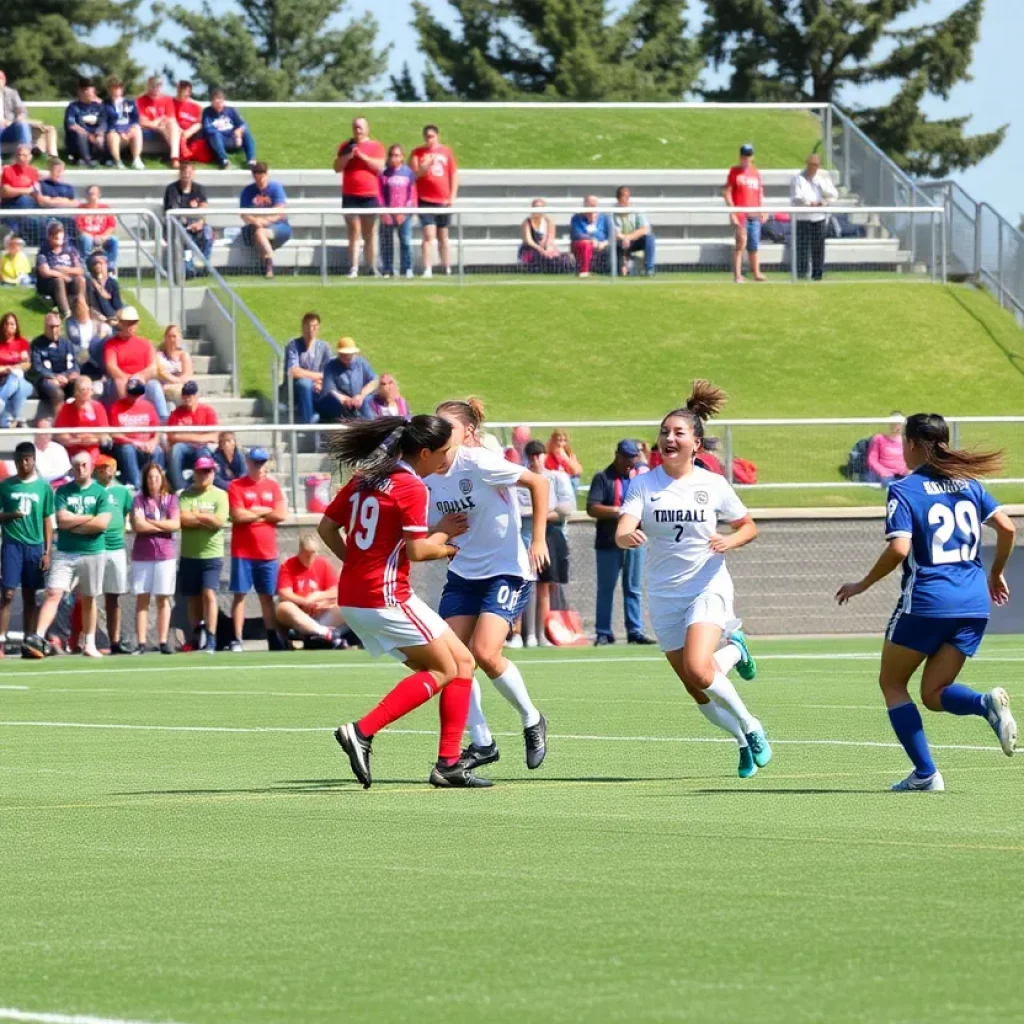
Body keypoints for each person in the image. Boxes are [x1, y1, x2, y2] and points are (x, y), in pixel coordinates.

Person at [836, 413, 1018, 791]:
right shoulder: (969, 484)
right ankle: (983, 704)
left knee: (892, 682)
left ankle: (926, 774)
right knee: (934, 694)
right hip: (973, 604)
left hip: (928, 602)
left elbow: (899, 549)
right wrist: (996, 572)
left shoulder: (905, 489)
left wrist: (863, 584)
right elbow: (1007, 527)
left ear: (913, 444)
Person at [319, 414, 488, 789]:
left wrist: (356, 564)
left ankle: (449, 765)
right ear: (424, 453)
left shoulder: (366, 478)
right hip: (385, 596)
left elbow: (326, 527)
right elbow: (417, 550)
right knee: (445, 669)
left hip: (357, 595)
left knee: (462, 662)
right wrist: (447, 546)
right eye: (443, 452)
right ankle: (362, 731)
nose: (446, 459)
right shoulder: (411, 486)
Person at [617, 381, 769, 779]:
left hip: (707, 584)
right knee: (695, 686)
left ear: (696, 445)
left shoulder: (713, 484)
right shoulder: (643, 484)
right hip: (664, 593)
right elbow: (623, 528)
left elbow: (748, 526)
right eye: (664, 432)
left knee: (700, 669)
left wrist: (730, 540)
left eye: (678, 433)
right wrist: (627, 536)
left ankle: (751, 725)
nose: (669, 438)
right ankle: (740, 734)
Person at [426, 397, 551, 773]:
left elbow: (538, 482)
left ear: (468, 432)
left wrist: (538, 539)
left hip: (505, 571)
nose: (440, 433)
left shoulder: (479, 462)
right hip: (463, 574)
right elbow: (431, 530)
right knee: (451, 660)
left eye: (448, 427)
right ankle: (482, 743)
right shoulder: (428, 472)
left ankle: (532, 719)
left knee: (485, 652)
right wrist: (442, 538)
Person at [23, 450, 112, 659]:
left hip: (93, 551)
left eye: (84, 465)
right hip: (66, 552)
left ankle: (89, 643)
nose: (81, 469)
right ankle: (38, 637)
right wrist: (89, 518)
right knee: (54, 593)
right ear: (72, 468)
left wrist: (75, 522)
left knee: (89, 598)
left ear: (91, 467)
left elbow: (102, 524)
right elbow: (62, 521)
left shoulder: (100, 492)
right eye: (77, 466)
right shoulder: (63, 491)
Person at [587, 440, 653, 646]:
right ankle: (603, 632)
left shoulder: (638, 479)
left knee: (633, 587)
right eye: (626, 458)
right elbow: (592, 507)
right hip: (608, 542)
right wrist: (619, 511)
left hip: (634, 540)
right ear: (617, 456)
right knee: (606, 588)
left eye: (633, 459)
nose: (629, 463)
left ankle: (635, 631)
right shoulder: (603, 478)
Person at [227, 447, 287, 652]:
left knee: (267, 597)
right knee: (240, 595)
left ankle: (272, 637)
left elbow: (281, 514)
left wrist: (255, 512)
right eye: (256, 462)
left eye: (262, 462)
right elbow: (238, 515)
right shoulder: (236, 486)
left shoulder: (273, 486)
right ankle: (237, 638)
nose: (259, 466)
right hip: (243, 552)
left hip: (267, 552)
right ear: (248, 462)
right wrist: (265, 514)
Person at [0, 442, 54, 656]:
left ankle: (29, 641)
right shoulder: (6, 486)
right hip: (12, 544)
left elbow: (47, 519)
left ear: (33, 460)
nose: (24, 464)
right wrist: (10, 516)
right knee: (8, 594)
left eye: (27, 459)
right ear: (15, 461)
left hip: (34, 546)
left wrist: (47, 551)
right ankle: (1, 640)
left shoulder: (43, 487)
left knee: (30, 596)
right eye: (20, 460)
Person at [522, 440, 575, 647]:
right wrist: (545, 512)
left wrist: (539, 514)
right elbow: (517, 509)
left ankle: (543, 633)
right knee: (526, 583)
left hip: (551, 536)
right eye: (532, 455)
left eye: (539, 454)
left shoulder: (557, 478)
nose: (536, 459)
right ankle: (525, 634)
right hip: (524, 537)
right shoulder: (521, 479)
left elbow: (566, 508)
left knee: (545, 585)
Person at [178, 454, 227, 654]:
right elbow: (182, 519)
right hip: (190, 554)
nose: (205, 475)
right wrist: (206, 518)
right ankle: (196, 636)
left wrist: (196, 516)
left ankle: (212, 637)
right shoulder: (185, 495)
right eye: (201, 471)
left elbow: (219, 521)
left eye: (208, 471)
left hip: (212, 554)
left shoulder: (220, 495)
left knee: (209, 593)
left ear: (213, 473)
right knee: (193, 598)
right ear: (195, 473)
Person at [131, 462, 180, 654]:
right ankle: (141, 642)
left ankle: (163, 641)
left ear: (162, 479)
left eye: (156, 477)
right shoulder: (139, 500)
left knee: (163, 598)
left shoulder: (171, 500)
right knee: (142, 598)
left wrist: (150, 522)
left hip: (165, 555)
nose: (153, 481)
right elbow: (138, 526)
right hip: (142, 555)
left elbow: (175, 524)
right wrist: (161, 525)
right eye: (150, 477)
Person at [334, 117, 386, 278]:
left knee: (369, 233)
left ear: (367, 129)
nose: (358, 130)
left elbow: (380, 167)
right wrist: (348, 156)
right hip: (350, 195)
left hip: (369, 195)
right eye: (355, 127)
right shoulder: (346, 146)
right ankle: (354, 268)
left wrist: (363, 157)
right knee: (353, 232)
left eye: (361, 127)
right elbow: (336, 167)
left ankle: (371, 266)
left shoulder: (376, 146)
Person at [274, 532, 346, 649]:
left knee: (346, 604)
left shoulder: (323, 564)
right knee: (283, 607)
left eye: (313, 555)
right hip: (299, 614)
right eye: (307, 555)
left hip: (320, 613)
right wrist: (305, 602)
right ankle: (324, 633)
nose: (310, 559)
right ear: (300, 551)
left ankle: (316, 634)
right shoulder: (288, 566)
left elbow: (335, 591)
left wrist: (319, 598)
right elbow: (284, 593)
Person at [94, 453, 133, 655]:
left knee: (114, 596)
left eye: (107, 467)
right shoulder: (91, 489)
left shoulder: (122, 491)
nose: (104, 471)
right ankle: (88, 640)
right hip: (95, 546)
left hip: (116, 547)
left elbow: (125, 512)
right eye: (100, 467)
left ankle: (114, 640)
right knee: (90, 595)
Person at [410, 124, 459, 278]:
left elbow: (453, 174)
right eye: (427, 136)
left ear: (437, 136)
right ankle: (427, 268)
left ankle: (446, 266)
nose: (429, 139)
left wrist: (452, 196)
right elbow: (415, 174)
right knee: (428, 235)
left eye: (432, 136)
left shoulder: (446, 152)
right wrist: (425, 165)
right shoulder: (417, 153)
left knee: (443, 235)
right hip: (425, 199)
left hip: (443, 200)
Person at [103, 306, 165, 417]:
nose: (131, 326)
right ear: (120, 324)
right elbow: (111, 367)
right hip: (121, 381)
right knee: (119, 383)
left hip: (142, 381)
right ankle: (125, 417)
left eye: (134, 323)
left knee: (155, 386)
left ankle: (163, 419)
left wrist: (139, 377)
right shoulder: (111, 345)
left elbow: (152, 367)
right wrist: (129, 379)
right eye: (128, 323)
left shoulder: (145, 343)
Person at [789, 153, 839, 281]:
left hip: (819, 217)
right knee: (802, 248)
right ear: (807, 164)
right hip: (802, 218)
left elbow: (834, 194)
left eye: (816, 165)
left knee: (818, 248)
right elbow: (796, 196)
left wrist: (823, 200)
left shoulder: (822, 178)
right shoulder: (798, 178)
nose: (813, 167)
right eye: (811, 164)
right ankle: (801, 275)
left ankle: (817, 275)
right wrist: (809, 203)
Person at [724, 144, 768, 284]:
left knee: (754, 244)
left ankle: (756, 272)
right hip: (741, 213)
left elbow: (759, 193)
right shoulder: (734, 172)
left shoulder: (756, 173)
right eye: (744, 156)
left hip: (754, 213)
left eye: (748, 156)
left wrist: (762, 209)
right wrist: (733, 211)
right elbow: (727, 192)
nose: (746, 159)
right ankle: (737, 274)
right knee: (740, 243)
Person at [164, 380, 219, 491]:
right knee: (176, 449)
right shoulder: (176, 413)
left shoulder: (207, 411)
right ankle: (179, 488)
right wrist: (200, 437)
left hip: (202, 447)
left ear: (196, 395)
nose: (188, 397)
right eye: (185, 395)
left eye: (191, 394)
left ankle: (204, 486)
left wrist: (184, 436)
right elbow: (172, 437)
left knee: (203, 453)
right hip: (184, 448)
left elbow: (214, 437)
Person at [109, 377, 163, 489]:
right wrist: (135, 443)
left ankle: (154, 482)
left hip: (146, 443)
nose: (134, 397)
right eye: (132, 394)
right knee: (127, 449)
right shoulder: (116, 406)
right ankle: (137, 483)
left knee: (157, 450)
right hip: (127, 445)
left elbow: (158, 429)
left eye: (137, 394)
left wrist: (153, 442)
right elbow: (114, 434)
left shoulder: (148, 406)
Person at [240, 161, 291, 279]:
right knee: (258, 232)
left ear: (267, 174)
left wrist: (263, 221)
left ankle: (268, 264)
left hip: (278, 226)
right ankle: (268, 265)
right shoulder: (248, 191)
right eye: (257, 179)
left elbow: (279, 211)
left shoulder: (276, 188)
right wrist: (255, 221)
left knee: (260, 232)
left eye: (262, 178)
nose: (260, 182)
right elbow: (244, 214)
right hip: (255, 226)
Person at [162, 161, 213, 272]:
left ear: (193, 173)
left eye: (189, 172)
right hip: (179, 226)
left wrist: (200, 222)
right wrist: (189, 224)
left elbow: (203, 208)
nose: (186, 175)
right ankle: (189, 268)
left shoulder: (199, 189)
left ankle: (205, 265)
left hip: (196, 224)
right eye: (184, 172)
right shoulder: (172, 190)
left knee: (208, 233)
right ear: (179, 174)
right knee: (186, 238)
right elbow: (174, 213)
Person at [283, 311, 331, 425]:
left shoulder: (324, 347)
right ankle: (309, 423)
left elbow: (328, 373)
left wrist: (320, 382)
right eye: (307, 326)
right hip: (296, 389)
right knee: (305, 384)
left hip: (318, 387)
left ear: (318, 327)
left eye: (314, 326)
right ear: (302, 327)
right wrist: (318, 377)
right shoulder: (294, 345)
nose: (310, 330)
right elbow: (293, 371)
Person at [378, 144, 416, 279]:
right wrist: (384, 212)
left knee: (405, 241)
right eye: (392, 155)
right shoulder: (384, 174)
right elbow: (380, 194)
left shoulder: (408, 173)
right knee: (386, 242)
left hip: (403, 214)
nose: (394, 158)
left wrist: (405, 213)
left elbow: (412, 194)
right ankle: (387, 269)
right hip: (388, 214)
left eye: (397, 155)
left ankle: (407, 268)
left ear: (402, 157)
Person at [317, 338, 377, 422]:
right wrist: (345, 399)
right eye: (344, 354)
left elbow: (374, 382)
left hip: (359, 401)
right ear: (339, 353)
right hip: (338, 405)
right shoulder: (330, 366)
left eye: (349, 354)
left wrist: (360, 396)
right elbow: (329, 390)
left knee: (367, 405)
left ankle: (370, 423)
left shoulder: (362, 363)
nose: (347, 356)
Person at [1, 69, 58, 157]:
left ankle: (27, 152)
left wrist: (18, 118)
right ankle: (32, 149)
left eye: (0, 79)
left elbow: (21, 110)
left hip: (9, 127)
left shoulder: (11, 93)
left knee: (22, 124)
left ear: (4, 81)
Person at [35, 221, 85, 318]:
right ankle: (65, 312)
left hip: (70, 280)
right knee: (59, 281)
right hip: (49, 284)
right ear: (50, 236)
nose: (59, 237)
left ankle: (80, 307)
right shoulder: (43, 252)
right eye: (55, 235)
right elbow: (45, 272)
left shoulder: (71, 250)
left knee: (81, 280)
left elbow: (80, 270)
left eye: (61, 233)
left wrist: (64, 269)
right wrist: (62, 276)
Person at [55, 375, 108, 462]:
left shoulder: (98, 407)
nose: (86, 392)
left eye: (89, 389)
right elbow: (60, 435)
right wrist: (78, 440)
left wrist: (92, 439)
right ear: (76, 391)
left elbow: (104, 433)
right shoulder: (66, 408)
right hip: (71, 450)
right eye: (83, 389)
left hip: (92, 449)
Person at [202, 89, 256, 170]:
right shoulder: (207, 112)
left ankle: (251, 160)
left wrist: (239, 132)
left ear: (223, 100)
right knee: (215, 135)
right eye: (215, 101)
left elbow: (244, 124)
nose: (218, 104)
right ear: (211, 102)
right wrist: (219, 133)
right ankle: (224, 160)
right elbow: (207, 128)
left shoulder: (231, 110)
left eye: (220, 100)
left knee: (246, 132)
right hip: (219, 140)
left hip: (233, 137)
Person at [136, 76, 180, 168]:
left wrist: (159, 123)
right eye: (153, 85)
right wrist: (158, 121)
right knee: (170, 129)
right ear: (148, 85)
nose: (156, 88)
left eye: (158, 85)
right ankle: (178, 156)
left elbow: (171, 118)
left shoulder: (167, 99)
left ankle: (174, 158)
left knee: (174, 126)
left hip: (163, 127)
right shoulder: (140, 100)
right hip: (147, 130)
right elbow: (142, 122)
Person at [1, 144, 41, 244]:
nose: (21, 158)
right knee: (23, 200)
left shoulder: (34, 171)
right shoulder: (8, 170)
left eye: (25, 155)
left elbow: (35, 191)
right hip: (10, 204)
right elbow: (6, 191)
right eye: (19, 155)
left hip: (28, 206)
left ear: (30, 157)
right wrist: (26, 190)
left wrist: (19, 191)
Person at [103, 77, 144, 171]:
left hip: (127, 129)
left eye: (120, 87)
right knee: (112, 135)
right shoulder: (105, 104)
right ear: (110, 89)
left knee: (137, 130)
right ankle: (117, 161)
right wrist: (120, 132)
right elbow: (107, 122)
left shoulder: (130, 102)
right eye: (115, 87)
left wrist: (130, 129)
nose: (118, 89)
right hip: (114, 131)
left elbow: (135, 118)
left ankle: (136, 159)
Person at [613, 186, 656, 277]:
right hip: (620, 242)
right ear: (618, 199)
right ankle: (621, 269)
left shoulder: (636, 210)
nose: (626, 200)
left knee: (649, 238)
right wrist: (624, 239)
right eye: (624, 198)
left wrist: (628, 238)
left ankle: (649, 269)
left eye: (627, 197)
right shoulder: (612, 212)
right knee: (616, 244)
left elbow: (644, 229)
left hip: (634, 241)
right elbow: (615, 232)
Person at [64, 79, 107, 167]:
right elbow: (71, 124)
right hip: (79, 139)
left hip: (95, 135)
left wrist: (99, 133)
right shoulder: (73, 107)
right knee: (81, 134)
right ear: (81, 92)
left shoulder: (99, 107)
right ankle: (86, 160)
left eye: (93, 93)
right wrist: (88, 135)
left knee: (103, 137)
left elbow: (103, 122)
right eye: (88, 93)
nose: (92, 95)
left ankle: (102, 159)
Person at [0, 309, 32, 427]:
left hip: (20, 380)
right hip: (2, 380)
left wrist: (14, 367)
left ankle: (1, 400)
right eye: (6, 324)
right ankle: (14, 419)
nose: (9, 327)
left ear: (16, 326)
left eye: (12, 324)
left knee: (17, 375)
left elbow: (27, 365)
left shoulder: (22, 342)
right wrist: (5, 369)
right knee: (20, 388)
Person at [65, 293, 112, 375]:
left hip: (95, 356)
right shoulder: (71, 323)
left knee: (105, 331)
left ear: (87, 307)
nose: (80, 310)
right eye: (77, 308)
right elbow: (73, 342)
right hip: (80, 356)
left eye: (82, 307)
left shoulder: (96, 322)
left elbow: (109, 336)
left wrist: (102, 322)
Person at [76, 185, 119, 272]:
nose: (92, 196)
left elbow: (111, 226)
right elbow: (79, 227)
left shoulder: (105, 208)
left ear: (99, 194)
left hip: (102, 237)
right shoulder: (81, 208)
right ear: (87, 195)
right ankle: (87, 265)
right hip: (88, 236)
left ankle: (110, 266)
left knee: (114, 240)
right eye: (90, 193)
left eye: (95, 193)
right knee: (86, 239)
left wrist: (103, 236)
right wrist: (92, 237)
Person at [569, 195, 613, 277]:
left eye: (595, 205)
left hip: (602, 245)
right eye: (590, 204)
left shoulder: (605, 218)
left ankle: (612, 272)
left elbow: (612, 235)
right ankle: (584, 271)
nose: (593, 207)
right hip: (582, 245)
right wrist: (591, 240)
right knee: (585, 244)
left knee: (613, 248)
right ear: (585, 205)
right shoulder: (577, 218)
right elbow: (576, 234)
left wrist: (604, 243)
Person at [518, 199, 566, 272]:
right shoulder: (527, 222)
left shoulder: (549, 222)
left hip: (545, 247)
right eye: (536, 207)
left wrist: (548, 249)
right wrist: (541, 250)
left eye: (540, 207)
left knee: (555, 256)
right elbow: (529, 241)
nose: (538, 210)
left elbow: (550, 239)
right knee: (539, 257)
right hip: (531, 249)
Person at [173, 81, 214, 165]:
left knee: (204, 156)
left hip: (191, 133)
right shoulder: (170, 103)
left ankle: (186, 153)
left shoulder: (196, 106)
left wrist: (189, 132)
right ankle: (182, 154)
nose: (185, 93)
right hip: (175, 131)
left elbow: (199, 123)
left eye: (187, 91)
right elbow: (169, 120)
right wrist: (179, 130)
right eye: (182, 90)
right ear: (177, 89)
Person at [155, 323, 194, 408]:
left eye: (174, 336)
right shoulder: (158, 356)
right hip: (164, 387)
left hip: (179, 386)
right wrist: (175, 381)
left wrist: (175, 381)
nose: (172, 339)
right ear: (165, 338)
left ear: (179, 338)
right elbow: (160, 373)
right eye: (169, 336)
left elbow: (187, 376)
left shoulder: (184, 356)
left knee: (187, 393)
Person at [866, 412, 909, 486]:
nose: (897, 426)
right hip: (885, 474)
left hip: (903, 473)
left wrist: (909, 470)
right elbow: (872, 459)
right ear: (890, 424)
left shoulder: (908, 440)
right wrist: (882, 471)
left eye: (899, 424)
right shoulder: (879, 438)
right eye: (894, 423)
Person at [85, 252, 123, 323]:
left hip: (110, 316)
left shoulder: (112, 283)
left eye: (101, 263)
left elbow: (118, 307)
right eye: (95, 264)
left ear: (106, 264)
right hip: (93, 316)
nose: (98, 266)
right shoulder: (88, 282)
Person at [32, 419, 71, 483]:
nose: (46, 434)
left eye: (48, 431)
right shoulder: (28, 450)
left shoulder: (59, 449)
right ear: (35, 432)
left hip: (59, 484)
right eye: (43, 431)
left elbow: (66, 471)